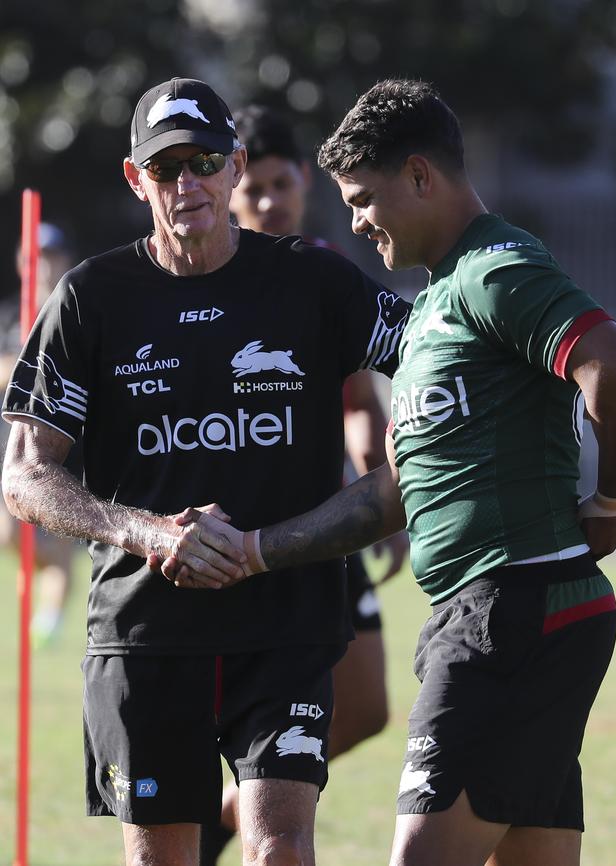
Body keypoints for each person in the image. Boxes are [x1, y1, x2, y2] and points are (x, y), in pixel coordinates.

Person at [158, 80, 616, 866]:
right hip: (496, 614)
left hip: (513, 612)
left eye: (364, 198)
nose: (354, 220)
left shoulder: (496, 271)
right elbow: (393, 493)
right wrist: (257, 548)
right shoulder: (429, 309)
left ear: (420, 176)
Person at [1, 77, 411, 866]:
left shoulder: (312, 280)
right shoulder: (91, 297)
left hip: (285, 618)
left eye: (205, 161)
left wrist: (400, 450)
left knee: (279, 850)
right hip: (146, 630)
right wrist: (146, 531)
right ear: (136, 178)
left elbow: (430, 352)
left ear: (235, 167)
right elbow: (25, 475)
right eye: (166, 168)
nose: (187, 184)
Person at [192, 103, 408, 864]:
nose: (267, 203)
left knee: (371, 708)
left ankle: (227, 817)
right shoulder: (212, 277)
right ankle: (237, 816)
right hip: (242, 528)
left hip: (326, 521)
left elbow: (356, 399)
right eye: (255, 189)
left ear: (303, 183)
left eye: (282, 186)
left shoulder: (324, 273)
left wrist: (385, 490)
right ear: (234, 183)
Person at [0, 222, 79, 648]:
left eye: (50, 256)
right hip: (13, 442)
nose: (43, 265)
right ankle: (50, 578)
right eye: (34, 257)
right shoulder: (12, 313)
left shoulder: (74, 309)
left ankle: (52, 609)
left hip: (66, 441)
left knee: (59, 520)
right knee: (10, 531)